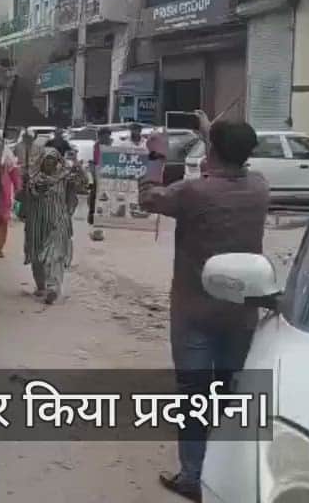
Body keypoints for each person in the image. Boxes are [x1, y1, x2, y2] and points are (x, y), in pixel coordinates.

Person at [139, 112, 268, 503]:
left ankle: (193, 476)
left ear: (212, 151)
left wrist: (156, 158)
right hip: (241, 311)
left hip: (194, 311)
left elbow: (147, 198)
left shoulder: (193, 192)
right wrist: (212, 133)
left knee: (193, 393)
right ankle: (226, 474)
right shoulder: (259, 187)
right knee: (230, 393)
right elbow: (234, 161)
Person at [22, 148, 88, 304]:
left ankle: (53, 287)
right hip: (37, 223)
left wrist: (77, 164)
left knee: (55, 254)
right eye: (47, 159)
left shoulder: (65, 178)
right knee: (37, 255)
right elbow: (33, 193)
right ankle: (41, 286)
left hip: (59, 221)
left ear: (58, 162)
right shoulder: (35, 179)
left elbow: (84, 183)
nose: (50, 162)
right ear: (42, 161)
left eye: (53, 159)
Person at [0, 130, 21, 258]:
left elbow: (14, 171)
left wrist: (18, 187)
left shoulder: (7, 153)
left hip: (4, 189)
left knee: (2, 219)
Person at [90, 127, 114, 224]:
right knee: (95, 194)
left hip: (110, 172)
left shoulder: (113, 145)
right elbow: (96, 160)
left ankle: (107, 214)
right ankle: (92, 214)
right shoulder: (97, 146)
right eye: (102, 136)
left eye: (106, 136)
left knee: (109, 194)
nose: (104, 138)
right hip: (99, 172)